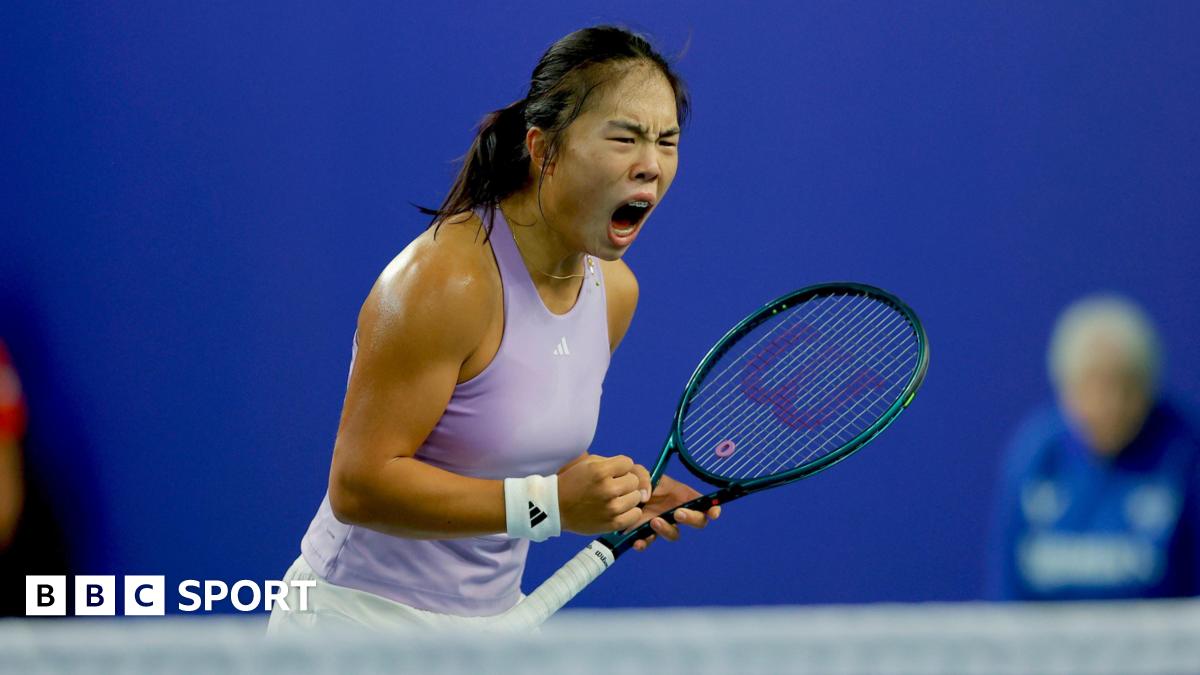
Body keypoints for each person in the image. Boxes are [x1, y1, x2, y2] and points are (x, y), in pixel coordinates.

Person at [269, 26, 719, 631]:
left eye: (667, 142)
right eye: (624, 138)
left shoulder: (614, 292)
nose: (651, 166)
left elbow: (495, 449)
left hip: (491, 626)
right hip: (356, 621)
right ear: (544, 149)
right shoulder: (445, 281)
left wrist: (618, 497)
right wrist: (551, 507)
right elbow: (359, 486)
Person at [987, 294, 1200, 601]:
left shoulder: (1185, 452)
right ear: (1065, 388)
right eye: (1092, 386)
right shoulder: (1037, 455)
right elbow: (1007, 593)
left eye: (1126, 386)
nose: (1109, 406)